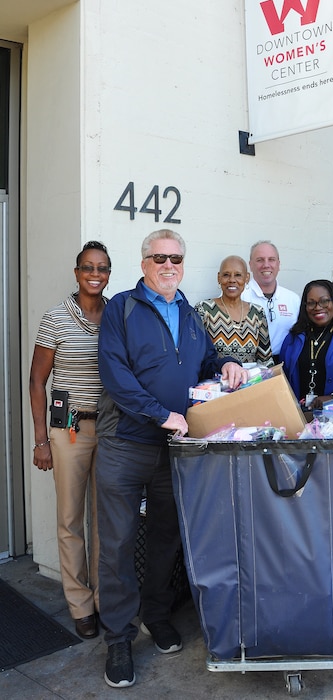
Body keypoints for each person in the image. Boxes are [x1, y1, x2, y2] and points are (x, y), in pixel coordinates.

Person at [95, 229, 247, 689]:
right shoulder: (121, 308)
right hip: (126, 443)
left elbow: (201, 362)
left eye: (176, 258)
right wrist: (161, 414)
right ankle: (119, 637)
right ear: (143, 263)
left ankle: (156, 615)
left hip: (174, 449)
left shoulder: (189, 311)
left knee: (166, 535)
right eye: (159, 258)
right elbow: (114, 374)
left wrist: (224, 362)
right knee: (118, 544)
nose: (168, 265)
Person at [29, 240, 111, 640]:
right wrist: (41, 440)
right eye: (88, 268)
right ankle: (80, 604)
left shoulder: (118, 315)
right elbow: (37, 381)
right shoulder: (56, 318)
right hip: (69, 428)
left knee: (106, 519)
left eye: (102, 268)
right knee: (70, 519)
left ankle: (102, 599)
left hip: (111, 429)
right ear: (77, 272)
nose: (95, 275)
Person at [280, 280, 333, 408]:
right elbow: (283, 378)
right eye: (311, 303)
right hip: (300, 414)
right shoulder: (294, 337)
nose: (318, 307)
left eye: (324, 301)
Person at [195, 255, 273, 366]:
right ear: (219, 278)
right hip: (216, 380)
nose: (232, 280)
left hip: (251, 382)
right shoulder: (204, 309)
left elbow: (266, 359)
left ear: (246, 278)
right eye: (226, 275)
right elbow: (195, 356)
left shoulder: (257, 313)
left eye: (238, 275)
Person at [242, 240, 300, 362]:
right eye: (260, 260)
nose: (266, 265)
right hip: (249, 366)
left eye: (271, 259)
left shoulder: (292, 299)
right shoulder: (240, 296)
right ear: (251, 265)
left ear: (278, 264)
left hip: (285, 364)